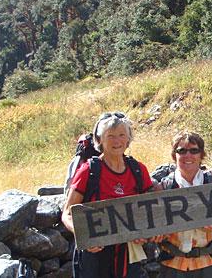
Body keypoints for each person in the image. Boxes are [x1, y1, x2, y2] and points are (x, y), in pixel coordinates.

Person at [61, 113, 155, 278]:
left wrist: (144, 233)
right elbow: (67, 213)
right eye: (110, 136)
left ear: (128, 139)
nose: (117, 141)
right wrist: (85, 236)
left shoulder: (138, 170)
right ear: (100, 140)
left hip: (128, 253)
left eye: (121, 135)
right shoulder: (89, 171)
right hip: (95, 254)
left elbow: (151, 209)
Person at [156, 131, 212, 278]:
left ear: (201, 155)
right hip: (171, 263)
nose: (188, 155)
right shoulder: (162, 189)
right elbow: (151, 224)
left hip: (208, 262)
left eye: (194, 150)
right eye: (182, 151)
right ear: (175, 155)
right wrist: (157, 233)